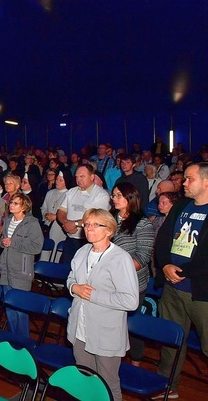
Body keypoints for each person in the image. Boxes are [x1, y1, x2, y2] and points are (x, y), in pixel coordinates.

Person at [66, 208, 139, 401]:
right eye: (87, 224)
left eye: (96, 225)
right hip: (80, 329)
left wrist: (93, 295)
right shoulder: (82, 252)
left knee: (108, 383)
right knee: (85, 379)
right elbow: (71, 278)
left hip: (106, 332)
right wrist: (74, 288)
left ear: (109, 230)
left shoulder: (120, 258)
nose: (89, 228)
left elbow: (131, 301)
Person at [152, 162, 208, 399]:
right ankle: (168, 385)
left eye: (189, 179)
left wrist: (182, 272)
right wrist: (165, 265)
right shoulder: (181, 206)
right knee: (171, 340)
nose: (183, 183)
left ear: (206, 182)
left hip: (201, 290)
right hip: (172, 286)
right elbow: (163, 239)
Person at [110, 182, 155, 367]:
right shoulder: (110, 218)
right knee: (113, 324)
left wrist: (118, 272)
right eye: (113, 195)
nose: (114, 198)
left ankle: (135, 364)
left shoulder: (142, 223)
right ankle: (112, 360)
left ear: (131, 198)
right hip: (110, 282)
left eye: (119, 195)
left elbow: (142, 256)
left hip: (132, 283)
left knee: (132, 326)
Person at [0, 192, 44, 338]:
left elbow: (37, 247)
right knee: (10, 308)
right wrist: (3, 242)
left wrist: (14, 243)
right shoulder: (8, 220)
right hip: (6, 269)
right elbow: (2, 240)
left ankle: (24, 342)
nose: (11, 205)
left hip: (21, 271)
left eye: (16, 203)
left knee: (20, 310)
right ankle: (13, 338)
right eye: (11, 202)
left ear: (24, 207)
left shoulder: (32, 223)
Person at [56, 164, 111, 265]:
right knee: (67, 271)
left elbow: (97, 218)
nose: (78, 179)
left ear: (92, 177)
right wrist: (66, 223)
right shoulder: (71, 192)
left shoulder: (100, 195)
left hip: (88, 241)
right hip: (70, 239)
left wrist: (75, 224)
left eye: (82, 176)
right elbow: (61, 211)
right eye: (77, 177)